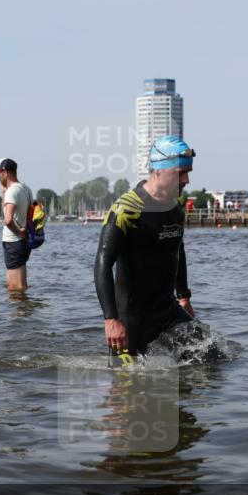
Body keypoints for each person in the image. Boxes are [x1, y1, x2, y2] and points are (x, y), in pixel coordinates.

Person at [94, 136, 195, 357]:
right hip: (131, 320)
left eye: (188, 173)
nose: (186, 180)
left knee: (213, 357)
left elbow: (178, 250)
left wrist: (184, 295)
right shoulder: (126, 209)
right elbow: (102, 264)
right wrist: (111, 319)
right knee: (128, 386)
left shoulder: (176, 210)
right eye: (181, 173)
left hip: (168, 312)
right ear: (159, 171)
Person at [0, 158, 33, 292]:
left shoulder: (12, 192)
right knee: (16, 286)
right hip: (23, 242)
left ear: (5, 173)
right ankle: (23, 310)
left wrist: (18, 232)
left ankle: (20, 312)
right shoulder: (25, 189)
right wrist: (3, 191)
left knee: (16, 287)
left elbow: (8, 220)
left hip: (14, 241)